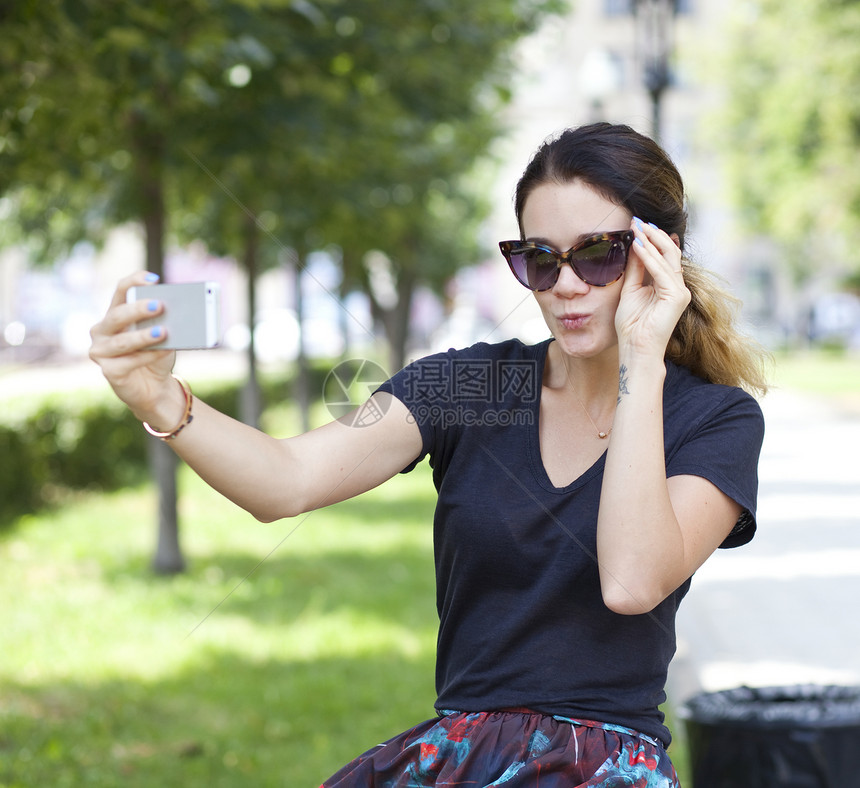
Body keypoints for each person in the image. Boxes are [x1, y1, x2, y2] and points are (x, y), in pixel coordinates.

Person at [90, 122, 769, 787]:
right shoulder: (465, 385)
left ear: (662, 254)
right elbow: (286, 481)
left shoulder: (716, 420)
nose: (565, 285)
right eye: (540, 258)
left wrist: (643, 360)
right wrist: (157, 399)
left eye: (598, 255)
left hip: (610, 770)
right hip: (462, 759)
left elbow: (631, 582)